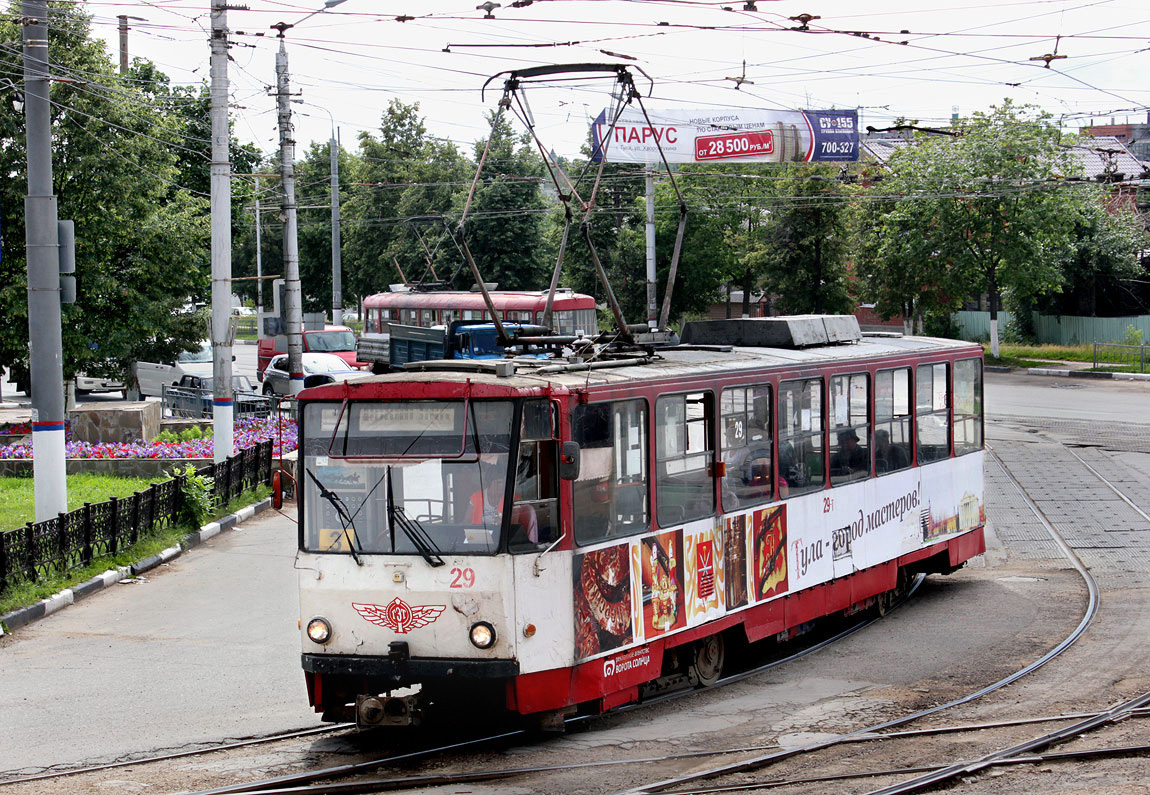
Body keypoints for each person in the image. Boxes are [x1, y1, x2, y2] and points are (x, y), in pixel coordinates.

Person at [469, 470, 538, 543]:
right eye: (498, 483)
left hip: (502, 538)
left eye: (502, 483)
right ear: (489, 483)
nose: (501, 486)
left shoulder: (514, 499)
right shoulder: (476, 496)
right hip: (479, 538)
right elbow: (467, 521)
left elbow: (513, 527)